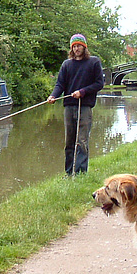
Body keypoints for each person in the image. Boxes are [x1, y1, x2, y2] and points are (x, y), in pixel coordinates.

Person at [46, 33, 104, 175]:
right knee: (69, 142)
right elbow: (60, 84)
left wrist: (83, 92)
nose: (77, 49)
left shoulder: (94, 62)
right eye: (74, 46)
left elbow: (99, 83)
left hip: (84, 107)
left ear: (84, 47)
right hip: (69, 106)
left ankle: (80, 174)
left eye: (79, 46)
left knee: (82, 141)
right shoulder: (66, 64)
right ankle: (69, 173)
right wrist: (53, 95)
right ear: (71, 48)